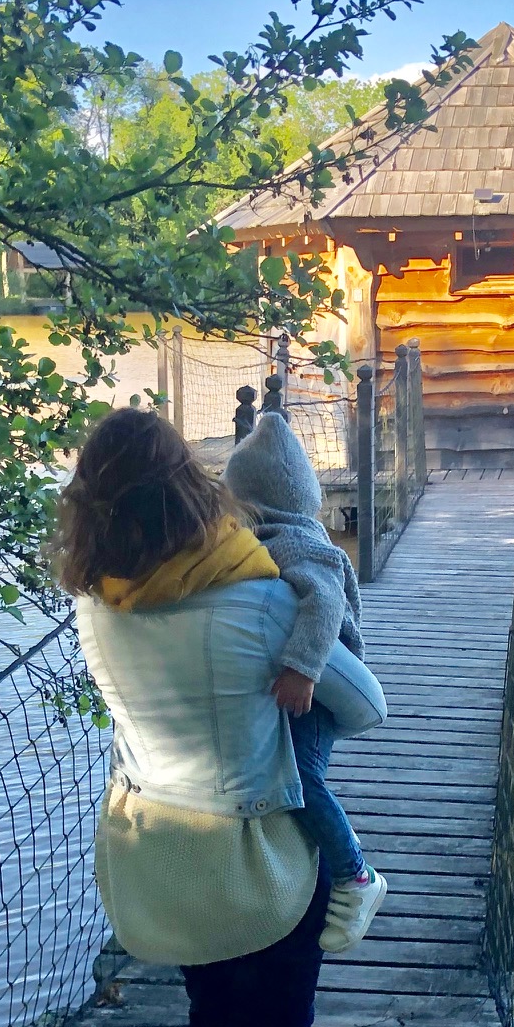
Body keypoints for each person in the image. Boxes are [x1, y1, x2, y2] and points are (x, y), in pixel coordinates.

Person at [50, 409, 388, 1027]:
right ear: (195, 489)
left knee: (214, 1019)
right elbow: (365, 705)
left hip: (166, 861)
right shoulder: (266, 597)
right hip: (264, 864)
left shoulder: (94, 609)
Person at [224, 407, 387, 953]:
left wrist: (302, 668)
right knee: (287, 779)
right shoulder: (271, 537)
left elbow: (324, 603)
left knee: (303, 782)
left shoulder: (295, 543)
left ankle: (356, 876)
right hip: (292, 687)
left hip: (316, 691)